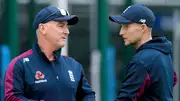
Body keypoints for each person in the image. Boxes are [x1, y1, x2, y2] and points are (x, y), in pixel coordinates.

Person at [4, 6, 95, 101]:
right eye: (61, 26)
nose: (67, 31)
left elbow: (88, 95)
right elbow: (12, 97)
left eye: (67, 26)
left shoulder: (74, 66)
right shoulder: (20, 65)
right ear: (43, 28)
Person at [109, 4, 178, 101]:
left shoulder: (142, 61)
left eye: (126, 26)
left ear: (143, 28)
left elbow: (126, 98)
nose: (121, 32)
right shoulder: (163, 54)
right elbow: (173, 80)